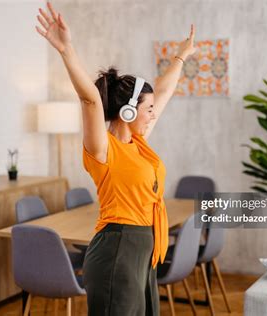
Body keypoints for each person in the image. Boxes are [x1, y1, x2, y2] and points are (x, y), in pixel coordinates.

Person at [36, 2, 196, 315]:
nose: (153, 114)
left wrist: (181, 56)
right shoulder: (103, 150)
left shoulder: (139, 144)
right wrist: (66, 50)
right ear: (127, 111)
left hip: (141, 253)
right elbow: (90, 100)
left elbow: (161, 92)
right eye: (147, 109)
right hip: (117, 250)